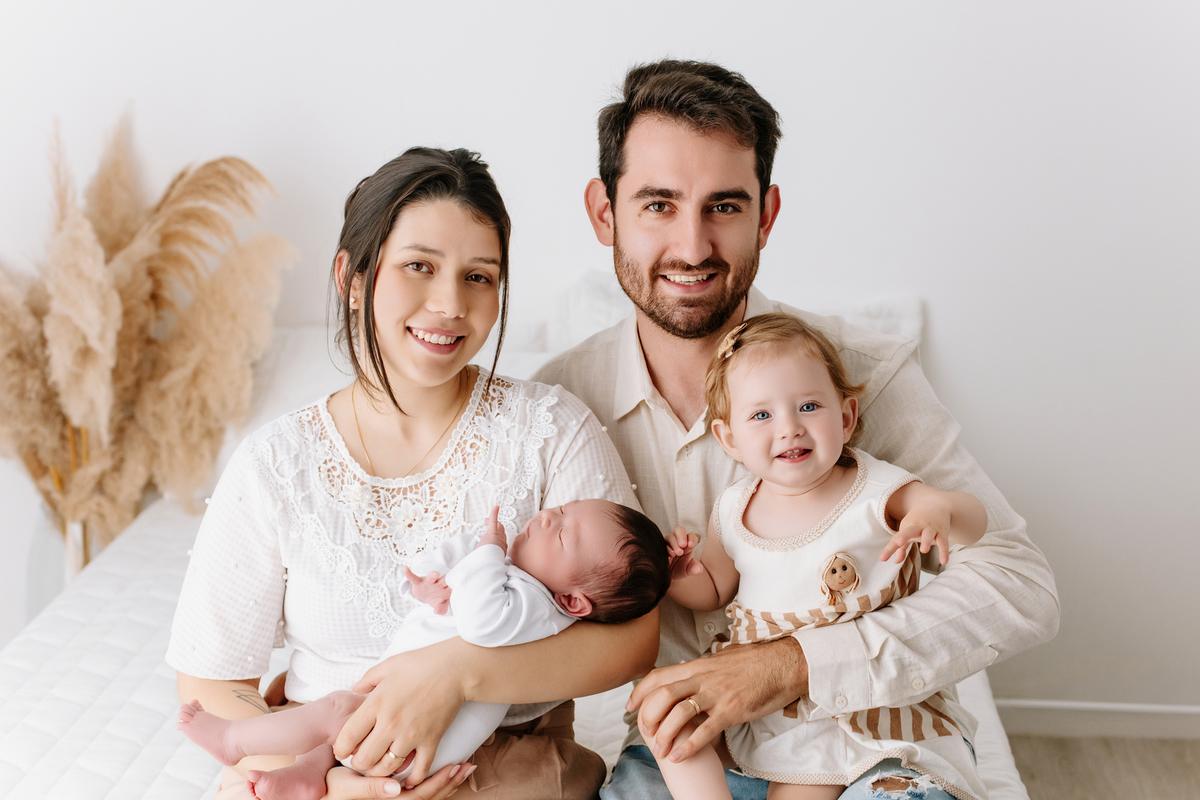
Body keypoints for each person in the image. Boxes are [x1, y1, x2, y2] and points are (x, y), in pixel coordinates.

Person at [532, 59, 1059, 799]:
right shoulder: (555, 407)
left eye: (724, 206)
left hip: (871, 743)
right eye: (658, 205)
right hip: (690, 753)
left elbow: (1019, 585)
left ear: (766, 215)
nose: (692, 246)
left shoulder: (859, 373)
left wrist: (794, 665)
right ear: (603, 213)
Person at [167, 146, 660, 800]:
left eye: (478, 276)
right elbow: (213, 678)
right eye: (419, 266)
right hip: (318, 762)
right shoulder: (274, 464)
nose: (450, 303)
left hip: (505, 769)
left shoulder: (551, 427)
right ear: (352, 278)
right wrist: (329, 785)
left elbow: (632, 639)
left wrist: (457, 675)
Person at [653, 313, 988, 800]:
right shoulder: (733, 509)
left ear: (846, 418)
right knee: (663, 716)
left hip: (855, 698)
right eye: (762, 416)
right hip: (767, 703)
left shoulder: (874, 489)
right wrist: (678, 574)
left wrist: (937, 509)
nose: (789, 428)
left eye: (808, 406)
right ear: (729, 440)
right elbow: (714, 591)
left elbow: (975, 522)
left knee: (802, 784)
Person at [178, 502, 670, 800]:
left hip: (416, 741)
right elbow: (465, 592)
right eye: (560, 509)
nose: (544, 516)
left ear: (574, 601)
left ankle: (236, 741)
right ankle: (307, 778)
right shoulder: (523, 588)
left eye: (560, 533)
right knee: (331, 741)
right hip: (399, 722)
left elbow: (480, 621)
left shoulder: (536, 606)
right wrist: (431, 586)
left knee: (337, 711)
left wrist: (490, 549)